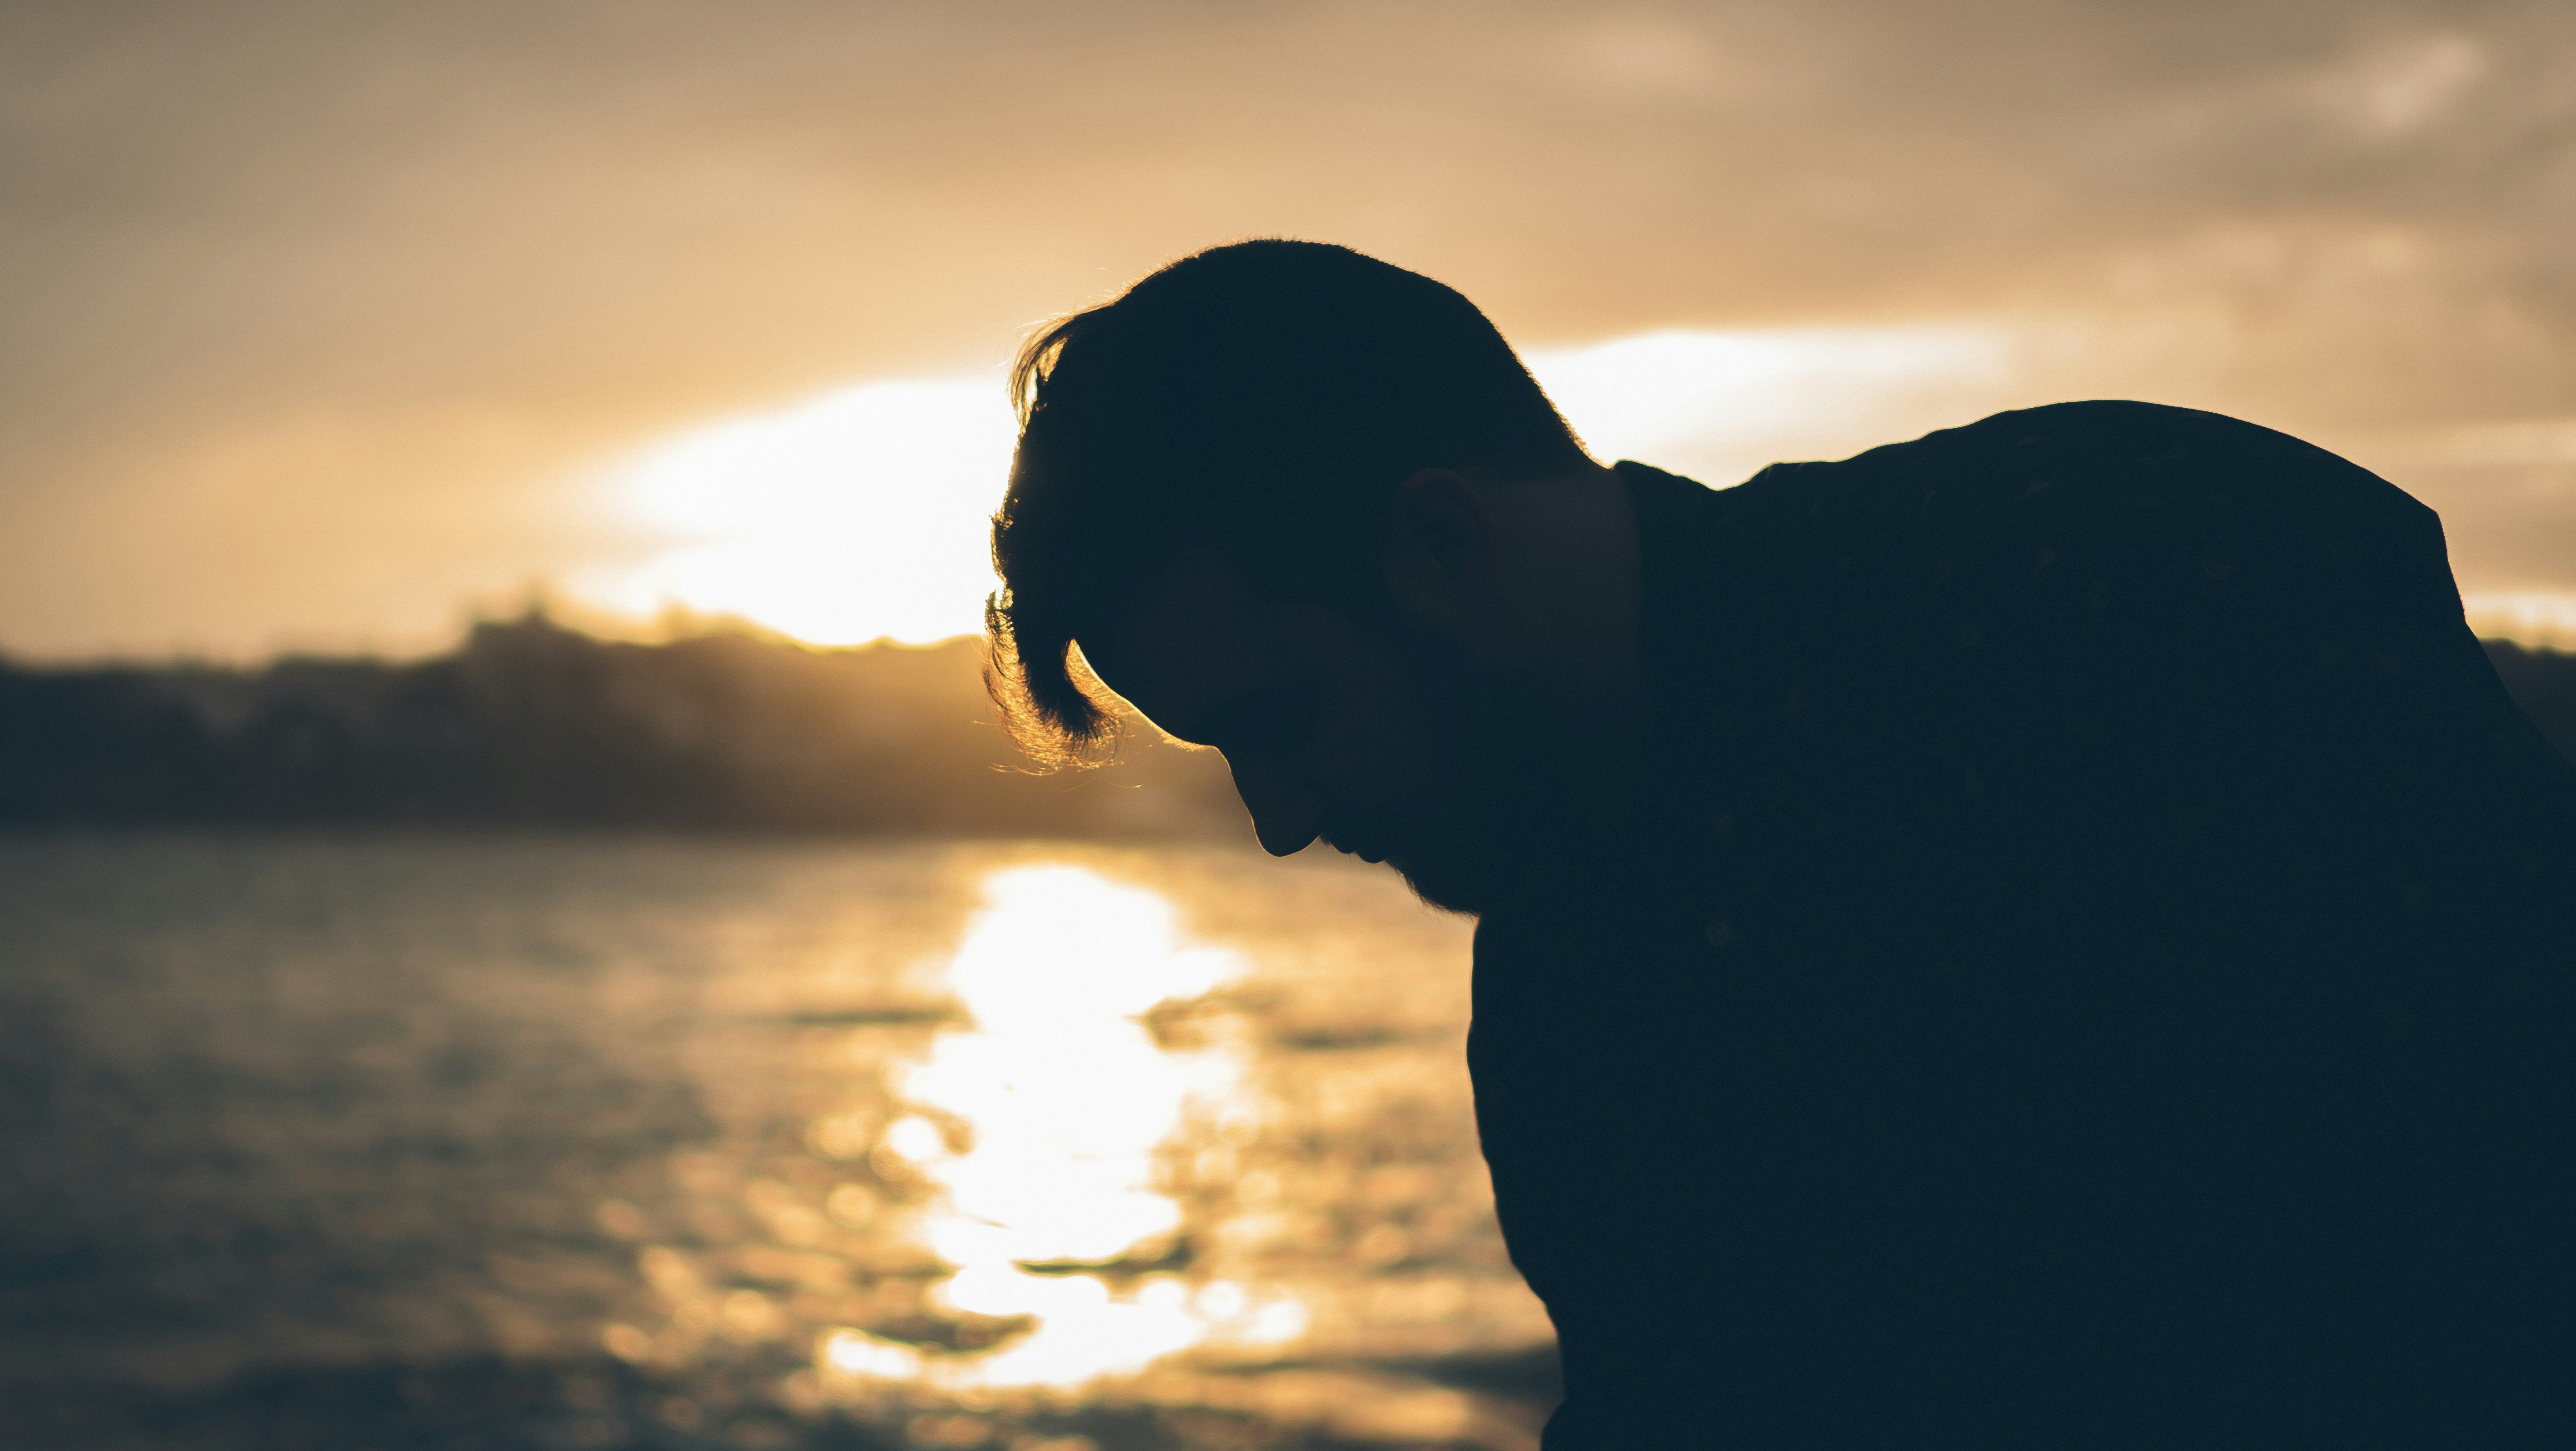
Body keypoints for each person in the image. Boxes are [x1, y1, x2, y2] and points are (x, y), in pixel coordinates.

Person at [982, 239, 2576, 1446]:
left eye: (1280, 718)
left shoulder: (2134, 567)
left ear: (1443, 541)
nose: (1280, 821)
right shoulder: (1562, 1018)